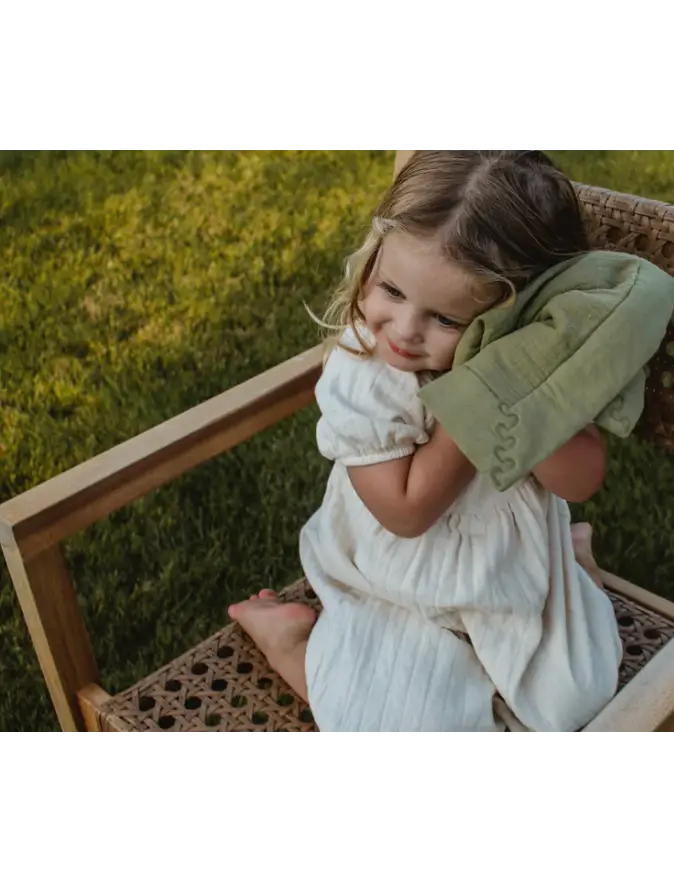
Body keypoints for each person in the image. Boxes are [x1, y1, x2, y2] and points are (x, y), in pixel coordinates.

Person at [228, 149, 625, 734]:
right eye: (390, 290)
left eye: (446, 320)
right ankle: (290, 641)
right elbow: (405, 512)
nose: (406, 330)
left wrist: (527, 391)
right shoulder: (366, 373)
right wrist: (481, 403)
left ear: (510, 319)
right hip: (398, 582)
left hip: (510, 566)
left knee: (578, 702)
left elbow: (583, 479)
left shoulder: (526, 368)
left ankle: (573, 558)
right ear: (372, 264)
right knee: (405, 722)